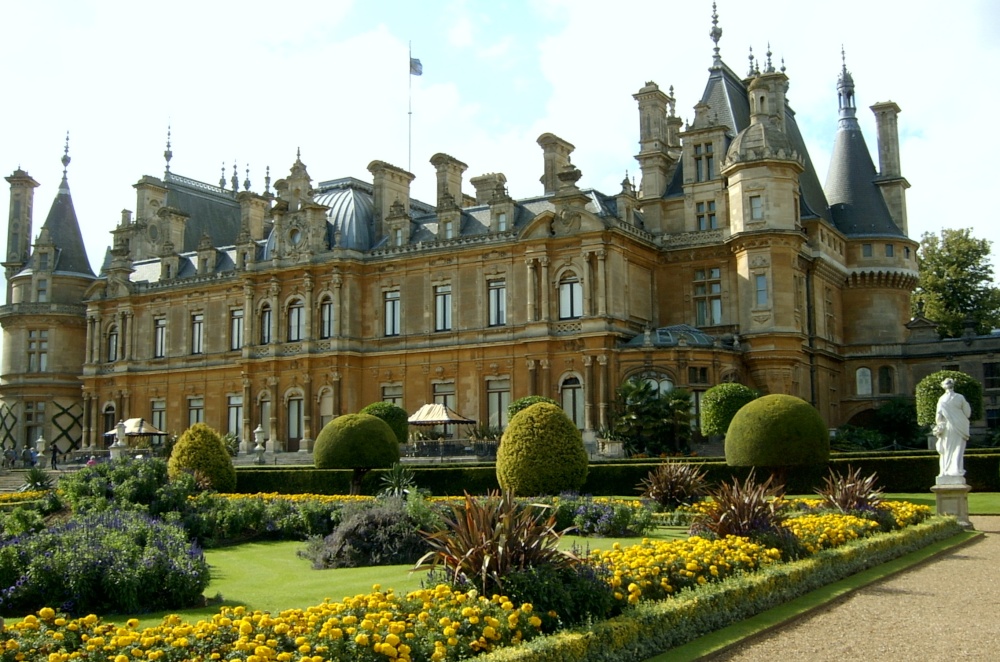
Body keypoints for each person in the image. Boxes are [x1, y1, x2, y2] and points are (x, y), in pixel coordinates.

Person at [934, 378, 972, 477]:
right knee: (958, 449)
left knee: (947, 450)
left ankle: (946, 471)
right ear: (953, 385)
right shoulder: (960, 397)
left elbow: (938, 417)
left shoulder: (941, 399)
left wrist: (939, 426)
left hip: (948, 427)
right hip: (960, 425)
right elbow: (967, 413)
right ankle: (956, 470)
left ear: (943, 386)